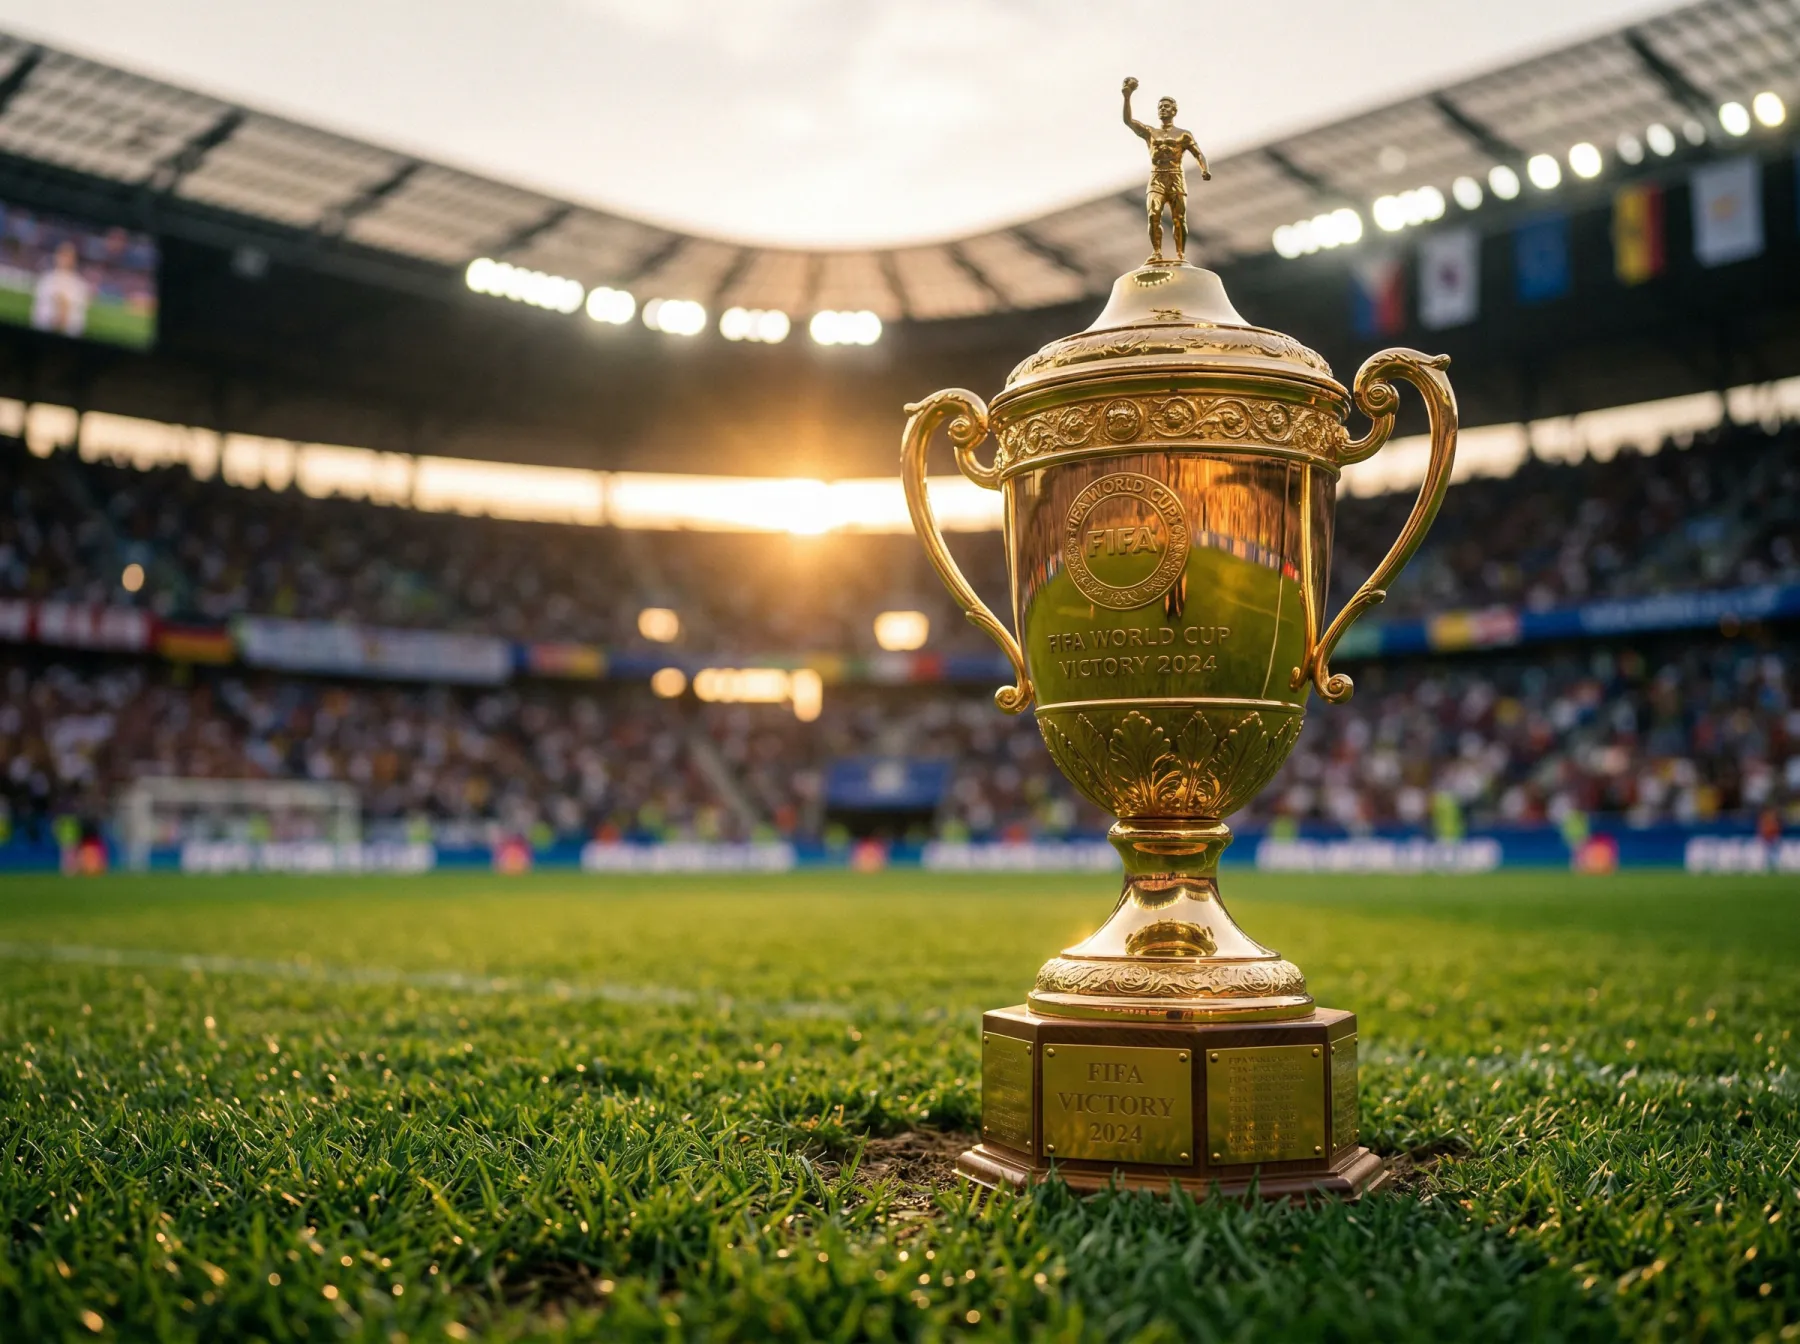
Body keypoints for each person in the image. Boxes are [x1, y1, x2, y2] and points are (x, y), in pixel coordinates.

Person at [1121, 77, 1211, 265]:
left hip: (1175, 177)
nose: (1162, 109)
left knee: (1179, 218)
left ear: (1174, 111)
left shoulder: (1183, 134)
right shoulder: (1151, 132)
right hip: (1157, 178)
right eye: (1160, 107)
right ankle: (1157, 252)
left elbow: (1198, 153)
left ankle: (1180, 255)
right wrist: (1127, 97)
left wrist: (1204, 169)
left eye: (1166, 106)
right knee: (1153, 214)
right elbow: (1128, 121)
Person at [31, 240, 90, 338]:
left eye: (69, 256)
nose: (65, 259)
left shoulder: (80, 286)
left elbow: (79, 318)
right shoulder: (46, 280)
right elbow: (38, 312)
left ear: (74, 259)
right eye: (62, 255)